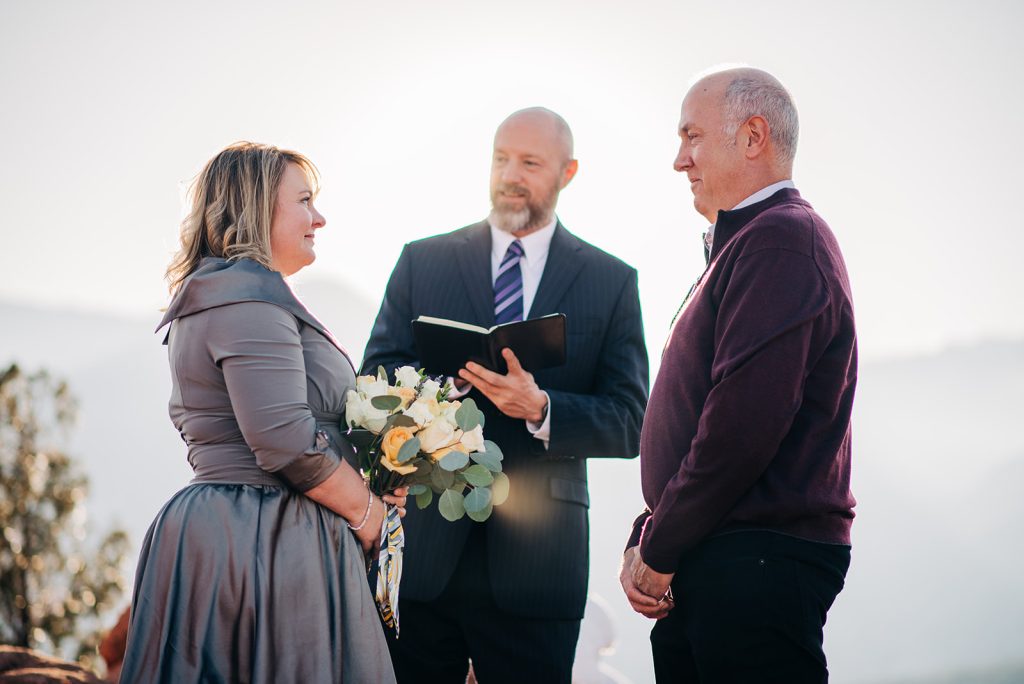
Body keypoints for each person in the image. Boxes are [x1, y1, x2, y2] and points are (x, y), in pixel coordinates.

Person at [362, 107, 649, 683]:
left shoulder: (611, 281)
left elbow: (629, 421)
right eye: (500, 158)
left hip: (540, 567)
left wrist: (543, 409)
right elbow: (375, 377)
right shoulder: (423, 260)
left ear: (567, 172)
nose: (510, 174)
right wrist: (441, 391)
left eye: (530, 162)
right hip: (425, 554)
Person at [120, 142, 405, 683]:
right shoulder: (249, 297)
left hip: (235, 528)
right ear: (255, 208)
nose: (319, 218)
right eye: (304, 201)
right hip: (265, 538)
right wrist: (369, 514)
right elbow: (286, 441)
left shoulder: (219, 293)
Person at [620, 67, 858, 682]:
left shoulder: (782, 240)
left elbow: (741, 426)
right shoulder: (749, 242)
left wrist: (659, 546)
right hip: (716, 555)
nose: (679, 159)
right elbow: (702, 412)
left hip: (753, 561)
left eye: (692, 136)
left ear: (753, 137)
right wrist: (650, 531)